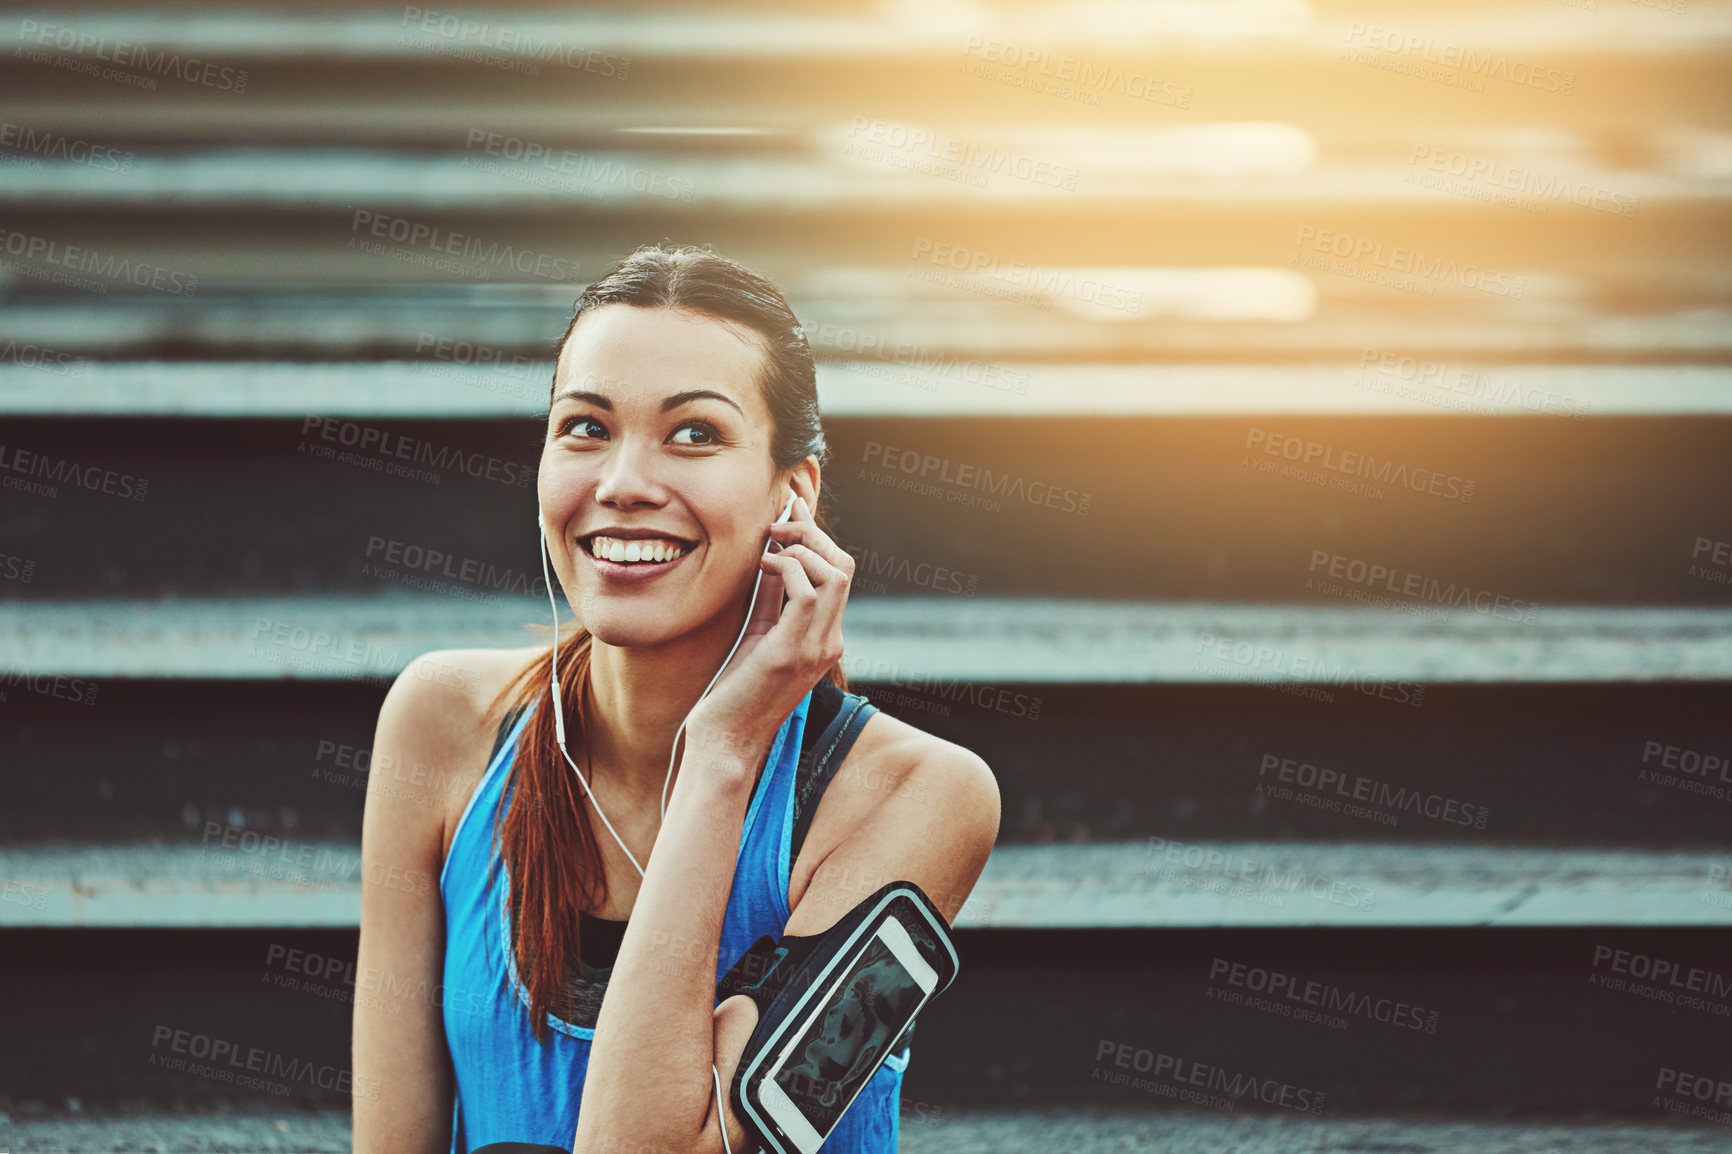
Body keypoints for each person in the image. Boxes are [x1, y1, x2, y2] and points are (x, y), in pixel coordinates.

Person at [352, 243, 1001, 1153]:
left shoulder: (918, 799)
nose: (622, 485)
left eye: (694, 433)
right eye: (585, 427)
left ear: (793, 495)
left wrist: (723, 757)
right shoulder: (442, 723)